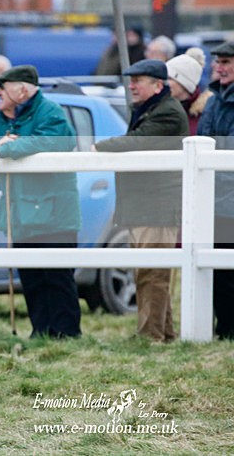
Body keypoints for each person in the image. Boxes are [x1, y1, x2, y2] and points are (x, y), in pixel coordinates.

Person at [0, 65, 82, 338]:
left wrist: (5, 149)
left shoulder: (50, 112)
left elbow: (52, 142)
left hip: (54, 212)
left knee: (57, 276)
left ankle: (67, 334)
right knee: (30, 276)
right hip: (20, 211)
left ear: (21, 89)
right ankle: (40, 332)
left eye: (3, 88)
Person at [93, 59, 189, 342]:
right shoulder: (151, 109)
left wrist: (100, 146)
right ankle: (164, 334)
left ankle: (151, 337)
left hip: (157, 205)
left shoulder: (167, 113)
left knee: (152, 273)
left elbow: (138, 141)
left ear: (158, 85)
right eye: (131, 80)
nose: (131, 86)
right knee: (147, 271)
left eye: (138, 81)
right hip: (146, 204)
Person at [197, 40, 234, 339]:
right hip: (212, 200)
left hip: (228, 199)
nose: (218, 67)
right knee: (217, 273)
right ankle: (223, 330)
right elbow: (202, 142)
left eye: (225, 62)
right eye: (217, 62)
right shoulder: (213, 100)